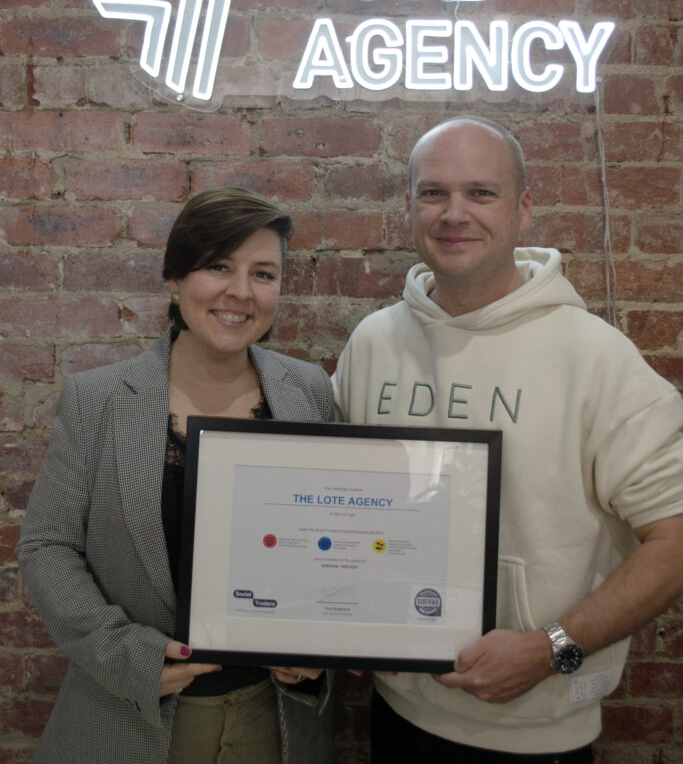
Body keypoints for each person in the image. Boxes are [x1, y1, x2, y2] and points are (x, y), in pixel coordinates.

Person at [333, 116, 683, 763]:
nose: (453, 214)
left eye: (480, 192)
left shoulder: (594, 358)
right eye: (433, 193)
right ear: (408, 209)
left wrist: (550, 650)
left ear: (523, 210)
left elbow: (675, 539)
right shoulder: (373, 344)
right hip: (397, 709)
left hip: (536, 732)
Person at [17, 188, 338, 764]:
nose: (241, 292)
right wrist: (124, 654)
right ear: (174, 277)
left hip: (274, 719)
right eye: (219, 267)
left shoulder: (308, 391)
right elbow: (47, 547)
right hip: (130, 715)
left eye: (263, 273)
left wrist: (322, 648)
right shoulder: (98, 400)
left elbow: (333, 538)